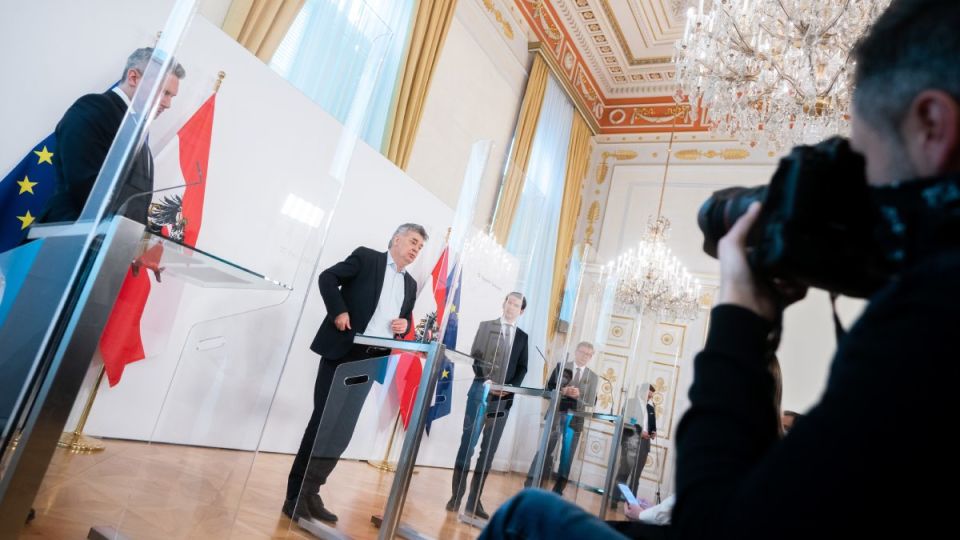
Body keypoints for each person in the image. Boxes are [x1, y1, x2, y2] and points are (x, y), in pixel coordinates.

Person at [481, 1, 960, 537]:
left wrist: (740, 315)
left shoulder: (933, 310)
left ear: (932, 124)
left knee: (526, 514)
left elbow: (716, 524)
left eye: (867, 159)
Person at [284, 223, 426, 523]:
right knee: (323, 424)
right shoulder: (367, 258)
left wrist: (403, 325)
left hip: (371, 361)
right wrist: (338, 311)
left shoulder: (411, 285)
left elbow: (402, 320)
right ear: (397, 239)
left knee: (342, 431)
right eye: (413, 241)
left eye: (420, 246)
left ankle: (312, 491)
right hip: (343, 354)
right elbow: (327, 278)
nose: (416, 249)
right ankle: (294, 497)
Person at [40, 47, 185, 225]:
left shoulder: (136, 130)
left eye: (171, 96)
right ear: (133, 78)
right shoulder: (94, 108)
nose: (168, 104)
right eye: (164, 92)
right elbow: (86, 186)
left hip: (108, 238)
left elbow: (135, 199)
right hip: (66, 233)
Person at [447, 292, 529, 520]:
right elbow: (476, 357)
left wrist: (509, 387)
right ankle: (456, 497)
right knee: (468, 445)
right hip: (480, 393)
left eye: (516, 305)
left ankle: (474, 501)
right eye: (509, 302)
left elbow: (522, 367)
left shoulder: (522, 337)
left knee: (488, 451)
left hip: (503, 400)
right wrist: (487, 381)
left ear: (521, 311)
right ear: (504, 303)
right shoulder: (486, 327)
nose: (511, 307)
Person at [525, 341, 599, 495]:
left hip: (575, 421)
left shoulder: (593, 377)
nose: (584, 356)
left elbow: (592, 401)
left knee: (567, 457)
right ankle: (530, 484)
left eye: (588, 354)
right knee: (545, 450)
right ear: (576, 351)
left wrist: (579, 395)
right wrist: (563, 391)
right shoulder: (561, 367)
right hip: (556, 416)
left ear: (591, 357)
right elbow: (548, 390)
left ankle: (557, 492)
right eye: (582, 352)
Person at [612, 382, 656, 508]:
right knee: (623, 473)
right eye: (648, 395)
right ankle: (614, 500)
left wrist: (653, 432)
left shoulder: (651, 408)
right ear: (642, 391)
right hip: (630, 442)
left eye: (651, 396)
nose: (650, 398)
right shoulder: (631, 403)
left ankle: (631, 505)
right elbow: (626, 421)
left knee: (636, 477)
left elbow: (652, 425)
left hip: (644, 444)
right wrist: (640, 431)